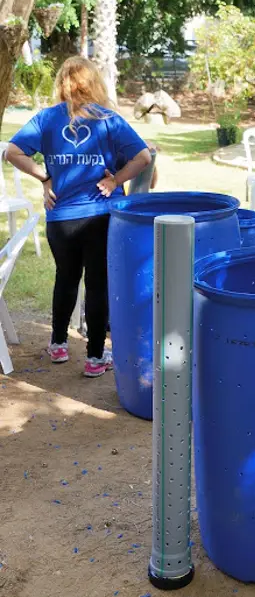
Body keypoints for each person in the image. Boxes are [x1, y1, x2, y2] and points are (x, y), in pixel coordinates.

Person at [6, 57, 151, 377]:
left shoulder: (46, 118)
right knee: (97, 284)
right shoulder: (109, 119)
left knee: (66, 278)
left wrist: (44, 178)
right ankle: (95, 359)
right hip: (101, 216)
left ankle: (58, 345)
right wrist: (116, 181)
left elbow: (12, 151)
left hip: (61, 219)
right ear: (95, 82)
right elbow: (143, 156)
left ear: (61, 83)